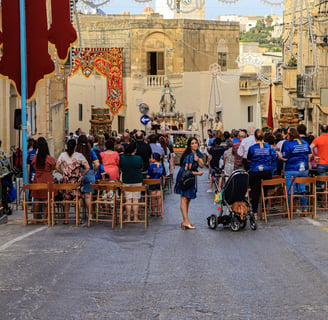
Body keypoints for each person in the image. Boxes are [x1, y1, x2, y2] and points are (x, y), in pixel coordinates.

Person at [55, 139, 90, 224]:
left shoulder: (63, 155)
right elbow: (87, 167)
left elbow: (56, 167)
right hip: (77, 180)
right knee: (77, 199)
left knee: (67, 199)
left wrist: (63, 173)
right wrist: (81, 175)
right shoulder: (79, 156)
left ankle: (66, 219)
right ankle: (77, 219)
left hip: (66, 180)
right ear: (75, 146)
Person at [278, 127, 312, 214]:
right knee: (302, 188)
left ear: (289, 135)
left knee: (290, 189)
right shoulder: (304, 142)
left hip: (291, 169)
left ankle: (288, 208)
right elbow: (309, 154)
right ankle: (304, 208)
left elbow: (285, 158)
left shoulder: (287, 143)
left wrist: (279, 155)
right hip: (304, 169)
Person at [174, 137, 204, 229]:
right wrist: (198, 173)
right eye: (192, 143)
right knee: (184, 198)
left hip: (190, 177)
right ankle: (186, 221)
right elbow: (187, 171)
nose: (195, 145)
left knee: (188, 199)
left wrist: (198, 159)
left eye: (196, 143)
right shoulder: (189, 155)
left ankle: (185, 220)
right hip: (186, 177)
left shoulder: (197, 153)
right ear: (189, 145)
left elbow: (202, 165)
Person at [247, 129, 273, 219]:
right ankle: (263, 209)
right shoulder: (268, 147)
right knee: (265, 191)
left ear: (255, 137)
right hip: (266, 171)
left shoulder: (252, 148)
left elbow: (249, 159)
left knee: (255, 191)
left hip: (255, 171)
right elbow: (273, 157)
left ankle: (255, 212)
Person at [31, 137, 56, 222]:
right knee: (47, 200)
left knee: (37, 199)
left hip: (37, 178)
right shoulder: (49, 158)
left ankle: (35, 218)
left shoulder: (35, 158)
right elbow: (53, 167)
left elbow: (34, 166)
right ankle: (45, 218)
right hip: (47, 179)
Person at [119, 141, 143, 222]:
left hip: (127, 180)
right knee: (136, 199)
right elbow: (141, 168)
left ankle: (128, 217)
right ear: (135, 150)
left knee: (128, 199)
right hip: (137, 180)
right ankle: (135, 218)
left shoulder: (123, 158)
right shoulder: (138, 158)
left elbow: (121, 168)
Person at [76, 135, 99, 217]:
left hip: (78, 174)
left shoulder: (76, 153)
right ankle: (90, 215)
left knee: (79, 196)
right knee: (87, 196)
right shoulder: (91, 152)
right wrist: (94, 171)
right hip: (89, 173)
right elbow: (97, 164)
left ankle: (78, 216)